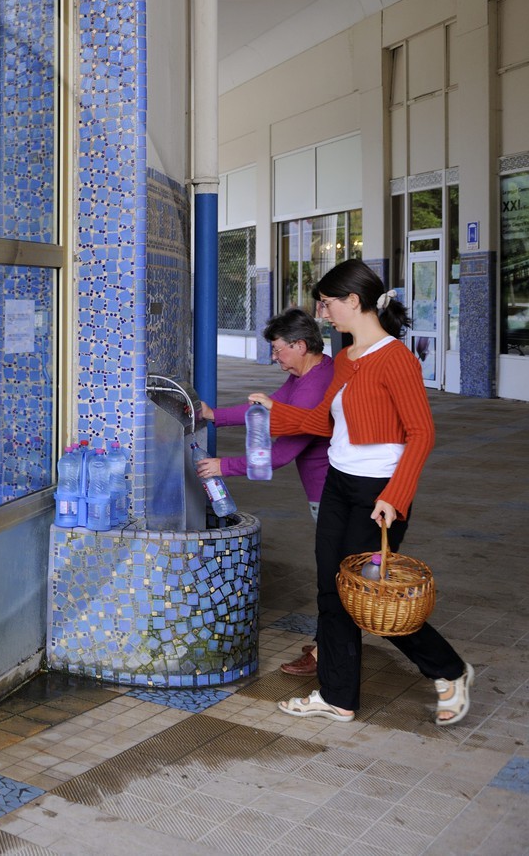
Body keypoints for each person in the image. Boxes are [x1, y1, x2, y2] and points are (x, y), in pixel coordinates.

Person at [249, 259, 472, 727]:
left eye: (328, 303)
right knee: (332, 592)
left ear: (353, 301)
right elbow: (325, 424)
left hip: (379, 495)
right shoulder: (347, 357)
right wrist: (275, 411)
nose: (323, 313)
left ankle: (450, 670)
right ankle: (337, 696)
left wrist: (396, 495)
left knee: (368, 597)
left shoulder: (397, 358)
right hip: (338, 484)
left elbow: (421, 433)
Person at [195, 306, 333, 677]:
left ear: (300, 345)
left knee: (332, 575)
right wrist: (214, 415)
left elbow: (280, 455)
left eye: (278, 350)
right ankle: (329, 643)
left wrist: (223, 466)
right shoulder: (311, 372)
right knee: (335, 573)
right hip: (327, 490)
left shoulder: (314, 387)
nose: (274, 358)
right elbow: (266, 408)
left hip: (331, 493)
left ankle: (327, 652)